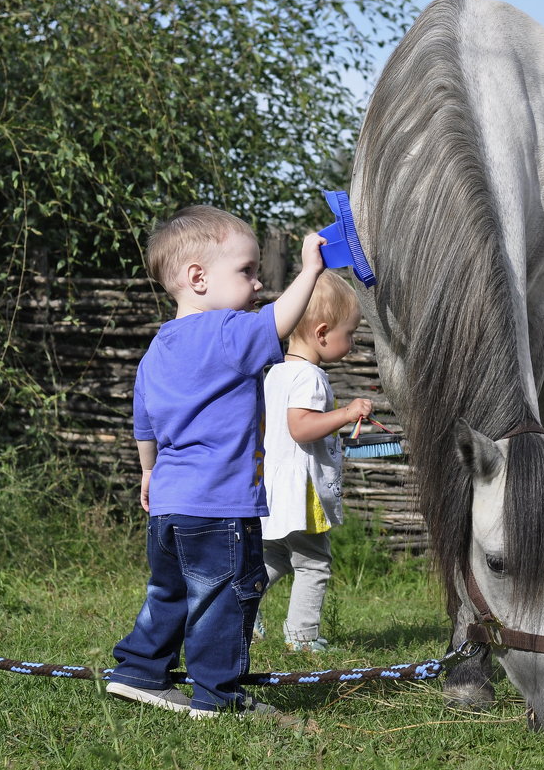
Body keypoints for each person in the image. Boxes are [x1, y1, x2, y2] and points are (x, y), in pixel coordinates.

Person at [105, 204, 325, 727]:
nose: (257, 285)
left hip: (169, 506)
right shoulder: (228, 332)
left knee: (170, 591)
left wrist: (149, 474)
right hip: (220, 506)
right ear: (197, 278)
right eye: (247, 271)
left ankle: (139, 669)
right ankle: (218, 697)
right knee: (222, 599)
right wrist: (310, 270)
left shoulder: (157, 348)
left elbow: (145, 424)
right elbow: (279, 322)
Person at [253, 271, 372, 652]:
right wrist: (347, 413)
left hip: (271, 487)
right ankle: (303, 637)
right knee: (313, 564)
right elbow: (301, 428)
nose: (352, 344)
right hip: (299, 490)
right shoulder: (311, 377)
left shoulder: (275, 373)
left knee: (274, 556)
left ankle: (241, 609)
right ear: (322, 334)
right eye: (349, 334)